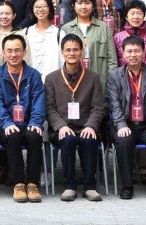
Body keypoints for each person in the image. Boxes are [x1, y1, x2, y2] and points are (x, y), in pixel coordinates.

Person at [106, 35, 146, 200]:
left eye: (136, 51)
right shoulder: (114, 75)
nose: (133, 55)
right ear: (123, 53)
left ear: (143, 52)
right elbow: (114, 104)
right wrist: (121, 125)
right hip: (124, 123)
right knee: (124, 141)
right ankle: (127, 186)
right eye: (129, 51)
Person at [46, 33, 105, 202]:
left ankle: (90, 186)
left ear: (82, 51)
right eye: (68, 50)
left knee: (89, 139)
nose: (72, 53)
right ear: (62, 53)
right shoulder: (51, 79)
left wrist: (91, 125)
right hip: (62, 127)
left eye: (75, 50)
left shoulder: (93, 78)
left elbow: (98, 107)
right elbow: (49, 108)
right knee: (68, 139)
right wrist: (60, 126)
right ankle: (69, 186)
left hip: (85, 125)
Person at [0, 34, 45, 203]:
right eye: (9, 51)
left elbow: (39, 101)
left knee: (35, 135)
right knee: (12, 136)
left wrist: (36, 122)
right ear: (3, 53)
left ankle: (33, 183)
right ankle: (18, 183)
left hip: (28, 123)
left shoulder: (34, 75)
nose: (13, 54)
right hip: (4, 126)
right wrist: (6, 122)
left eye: (17, 50)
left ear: (24, 52)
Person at [60, 0, 118, 90]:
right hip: (74, 84)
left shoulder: (103, 28)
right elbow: (61, 60)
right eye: (80, 3)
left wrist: (111, 85)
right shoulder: (66, 29)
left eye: (87, 3)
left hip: (100, 83)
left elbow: (112, 60)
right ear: (73, 5)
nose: (83, 6)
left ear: (93, 5)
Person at [113, 0, 146, 77]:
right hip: (124, 80)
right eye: (132, 13)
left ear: (144, 16)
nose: (136, 17)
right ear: (126, 17)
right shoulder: (117, 37)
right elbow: (114, 62)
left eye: (139, 13)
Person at [19, 0, 62, 78]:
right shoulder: (26, 33)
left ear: (50, 8)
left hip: (52, 81)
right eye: (37, 7)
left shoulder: (59, 34)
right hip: (29, 81)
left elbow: (63, 61)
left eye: (44, 6)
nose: (40, 9)